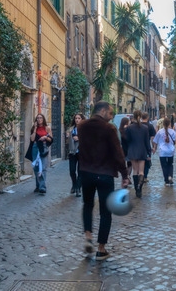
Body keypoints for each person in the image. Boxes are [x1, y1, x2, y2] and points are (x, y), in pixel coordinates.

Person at [77, 101, 130, 260]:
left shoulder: (82, 126)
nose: (112, 116)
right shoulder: (109, 128)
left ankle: (88, 237)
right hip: (105, 173)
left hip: (86, 172)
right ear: (103, 111)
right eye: (111, 113)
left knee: (87, 205)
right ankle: (101, 248)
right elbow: (118, 152)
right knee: (106, 211)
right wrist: (125, 175)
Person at [125, 111, 151, 198]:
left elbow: (127, 140)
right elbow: (147, 142)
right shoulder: (145, 128)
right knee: (141, 171)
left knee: (135, 171)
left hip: (132, 150)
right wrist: (149, 152)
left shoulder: (129, 128)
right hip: (142, 150)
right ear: (140, 116)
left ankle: (136, 189)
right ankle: (140, 188)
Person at [27, 113, 52, 194]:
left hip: (43, 147)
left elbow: (51, 139)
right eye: (37, 118)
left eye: (41, 118)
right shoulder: (34, 128)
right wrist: (34, 129)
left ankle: (42, 187)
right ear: (36, 120)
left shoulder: (47, 128)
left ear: (43, 119)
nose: (39, 119)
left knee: (43, 167)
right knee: (36, 167)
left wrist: (45, 137)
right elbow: (32, 139)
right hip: (35, 147)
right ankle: (38, 185)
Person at [153, 117, 176, 185]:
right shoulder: (172, 131)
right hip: (170, 151)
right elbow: (175, 141)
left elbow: (155, 141)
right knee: (170, 165)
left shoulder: (160, 132)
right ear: (169, 124)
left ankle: (166, 180)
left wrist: (155, 148)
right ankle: (170, 176)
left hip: (162, 151)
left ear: (163, 124)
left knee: (164, 166)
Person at [66, 113, 85, 197]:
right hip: (72, 152)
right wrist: (67, 137)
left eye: (79, 118)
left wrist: (80, 138)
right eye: (76, 118)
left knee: (80, 171)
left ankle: (78, 188)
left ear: (82, 119)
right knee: (72, 170)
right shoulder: (70, 129)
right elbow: (67, 142)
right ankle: (74, 184)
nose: (77, 120)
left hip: (82, 152)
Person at [141, 112, 156, 184]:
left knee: (140, 161)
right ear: (147, 118)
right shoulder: (150, 126)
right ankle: (145, 177)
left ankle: (140, 175)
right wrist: (153, 147)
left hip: (139, 146)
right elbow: (152, 138)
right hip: (147, 146)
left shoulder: (138, 125)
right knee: (147, 161)